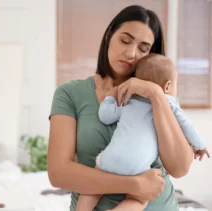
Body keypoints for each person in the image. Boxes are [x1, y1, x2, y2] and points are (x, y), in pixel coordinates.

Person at [48, 5, 194, 211]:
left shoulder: (161, 96)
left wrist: (155, 94)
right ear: (109, 35)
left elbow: (179, 168)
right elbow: (58, 173)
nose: (131, 53)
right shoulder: (71, 93)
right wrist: (134, 184)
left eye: (143, 48)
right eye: (125, 40)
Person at [76, 53, 210, 211]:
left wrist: (110, 98)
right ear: (167, 86)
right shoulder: (170, 104)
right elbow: (187, 126)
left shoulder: (128, 99)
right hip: (137, 166)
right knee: (139, 199)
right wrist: (200, 145)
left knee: (92, 189)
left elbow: (105, 117)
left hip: (110, 158)